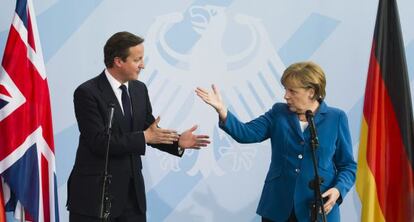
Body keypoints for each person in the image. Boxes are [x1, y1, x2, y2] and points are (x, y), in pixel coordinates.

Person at [67, 31, 210, 222]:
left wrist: (177, 142)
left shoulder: (138, 89)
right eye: (137, 60)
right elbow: (99, 142)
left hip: (132, 198)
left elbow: (149, 130)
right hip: (95, 197)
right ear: (118, 61)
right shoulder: (87, 93)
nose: (143, 65)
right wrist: (144, 137)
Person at [196, 61, 356, 222]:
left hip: (319, 209)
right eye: (285, 89)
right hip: (278, 207)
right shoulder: (278, 112)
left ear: (311, 92)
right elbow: (246, 133)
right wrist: (222, 111)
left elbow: (347, 166)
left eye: (292, 91)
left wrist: (338, 190)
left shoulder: (336, 118)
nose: (285, 95)